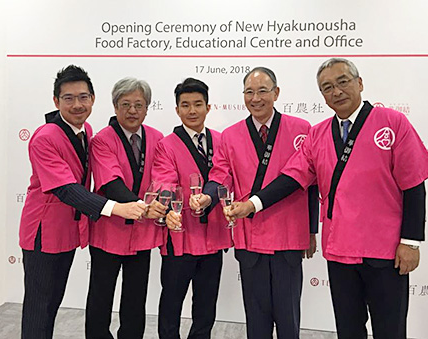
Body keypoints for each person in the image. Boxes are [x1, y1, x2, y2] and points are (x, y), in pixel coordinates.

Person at [230, 58, 428, 339]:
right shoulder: (317, 134)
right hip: (340, 250)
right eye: (327, 87)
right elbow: (291, 178)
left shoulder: (391, 122)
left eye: (343, 82)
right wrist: (252, 204)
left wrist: (411, 242)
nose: (336, 91)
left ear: (359, 83)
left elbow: (414, 184)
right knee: (348, 329)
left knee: (390, 329)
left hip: (385, 251)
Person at [18, 65, 146, 339]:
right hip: (43, 231)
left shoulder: (86, 129)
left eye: (83, 97)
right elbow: (65, 189)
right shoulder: (44, 137)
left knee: (52, 302)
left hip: (67, 231)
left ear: (93, 99)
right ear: (56, 101)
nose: (77, 104)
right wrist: (116, 208)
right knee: (40, 307)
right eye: (69, 98)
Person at [191, 67, 319, 339]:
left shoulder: (301, 129)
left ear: (276, 93)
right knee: (256, 317)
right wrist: (208, 196)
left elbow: (309, 182)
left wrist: (311, 230)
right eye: (249, 92)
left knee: (288, 318)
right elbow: (220, 175)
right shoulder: (231, 135)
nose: (256, 98)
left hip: (289, 233)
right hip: (250, 235)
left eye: (263, 91)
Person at [85, 77, 167, 339]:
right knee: (101, 296)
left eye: (139, 105)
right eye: (126, 104)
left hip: (142, 235)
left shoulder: (157, 137)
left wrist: (161, 202)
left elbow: (163, 176)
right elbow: (110, 183)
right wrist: (145, 207)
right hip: (109, 232)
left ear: (147, 108)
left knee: (135, 297)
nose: (132, 111)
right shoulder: (102, 140)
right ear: (115, 106)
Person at [151, 78, 231, 339]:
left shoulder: (221, 141)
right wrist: (167, 206)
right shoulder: (166, 145)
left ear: (209, 107)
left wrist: (209, 198)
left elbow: (225, 175)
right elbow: (164, 181)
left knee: (206, 304)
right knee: (172, 301)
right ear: (177, 110)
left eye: (198, 104)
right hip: (180, 235)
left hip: (213, 235)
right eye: (185, 105)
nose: (192, 110)